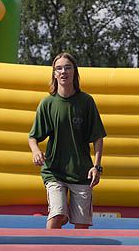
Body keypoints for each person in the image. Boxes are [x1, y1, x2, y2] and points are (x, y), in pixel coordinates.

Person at [28, 52, 106, 229]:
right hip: (54, 171)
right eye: (59, 68)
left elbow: (98, 137)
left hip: (82, 173)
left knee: (81, 226)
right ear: (54, 74)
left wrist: (97, 166)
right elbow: (33, 136)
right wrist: (35, 151)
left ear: (75, 72)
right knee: (57, 214)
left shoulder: (86, 102)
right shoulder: (48, 103)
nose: (63, 71)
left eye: (68, 67)